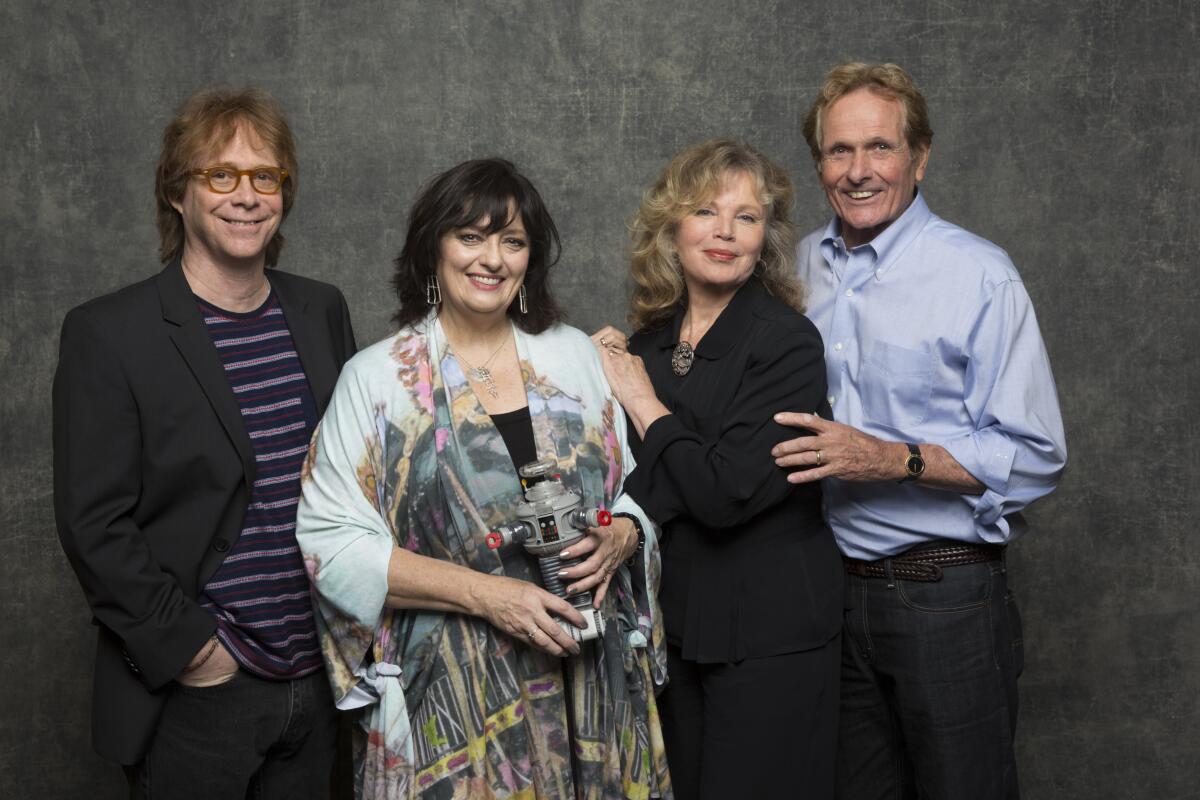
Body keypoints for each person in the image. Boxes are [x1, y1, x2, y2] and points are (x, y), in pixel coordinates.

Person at [295, 157, 672, 799]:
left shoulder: (574, 355)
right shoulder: (379, 380)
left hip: (591, 686)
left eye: (513, 240)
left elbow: (638, 490)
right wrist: (484, 594)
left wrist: (624, 536)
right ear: (433, 247)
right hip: (451, 699)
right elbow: (329, 545)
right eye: (470, 236)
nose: (491, 258)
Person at [771, 63, 1068, 799]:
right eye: (840, 151)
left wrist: (889, 459)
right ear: (819, 163)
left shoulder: (978, 275)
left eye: (880, 147)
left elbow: (1033, 454)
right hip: (826, 600)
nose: (859, 170)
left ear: (920, 157)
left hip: (946, 597)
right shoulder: (793, 268)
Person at [52, 87, 357, 798]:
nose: (246, 195)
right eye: (220, 174)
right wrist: (193, 650)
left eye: (265, 175)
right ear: (177, 192)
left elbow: (357, 472)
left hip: (317, 678)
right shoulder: (109, 334)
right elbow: (92, 522)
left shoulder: (321, 310)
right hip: (200, 691)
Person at [593, 139, 843, 799]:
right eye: (705, 211)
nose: (725, 231)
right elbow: (634, 482)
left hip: (773, 634)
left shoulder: (787, 343)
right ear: (672, 228)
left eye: (747, 216)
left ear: (767, 238)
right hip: (675, 628)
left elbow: (725, 493)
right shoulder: (646, 341)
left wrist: (642, 400)